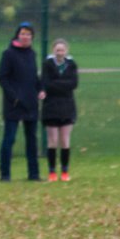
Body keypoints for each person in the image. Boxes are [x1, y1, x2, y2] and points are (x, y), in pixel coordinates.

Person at [0, 21, 43, 182]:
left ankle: (34, 174)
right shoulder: (8, 54)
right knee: (9, 139)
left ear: (32, 37)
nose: (25, 37)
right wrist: (14, 97)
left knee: (31, 139)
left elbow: (33, 77)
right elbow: (3, 78)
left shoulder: (32, 54)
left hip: (31, 104)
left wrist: (40, 89)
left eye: (28, 34)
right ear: (18, 35)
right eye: (23, 33)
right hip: (14, 105)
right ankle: (5, 174)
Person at [41, 38, 80, 182]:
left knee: (64, 140)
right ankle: (52, 172)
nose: (60, 52)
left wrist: (56, 85)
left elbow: (74, 83)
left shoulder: (71, 65)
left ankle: (64, 171)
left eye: (62, 50)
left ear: (66, 51)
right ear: (53, 51)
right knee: (52, 141)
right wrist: (62, 85)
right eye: (57, 50)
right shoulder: (47, 64)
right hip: (51, 106)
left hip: (67, 106)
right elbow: (46, 83)